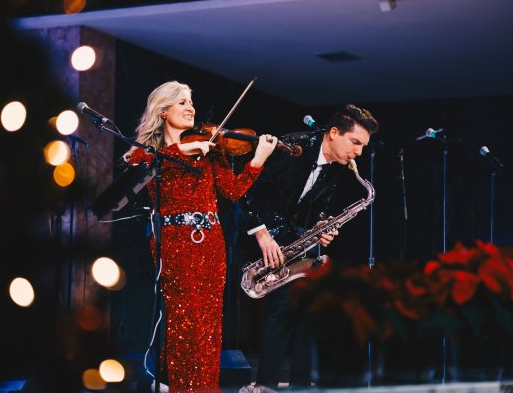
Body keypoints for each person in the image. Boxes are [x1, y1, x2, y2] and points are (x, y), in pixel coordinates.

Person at [124, 81, 277, 391]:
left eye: (191, 101)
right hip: (175, 244)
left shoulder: (211, 150)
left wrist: (258, 159)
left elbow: (233, 191)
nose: (190, 107)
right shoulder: (149, 154)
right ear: (163, 111)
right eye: (182, 102)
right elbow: (138, 168)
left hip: (211, 244)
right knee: (185, 326)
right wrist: (185, 148)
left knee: (209, 329)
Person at [242, 104, 379, 388]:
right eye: (355, 142)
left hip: (295, 241)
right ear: (333, 133)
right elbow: (249, 188)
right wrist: (263, 235)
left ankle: (301, 385)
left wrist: (320, 227)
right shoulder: (293, 147)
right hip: (262, 236)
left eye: (363, 146)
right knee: (282, 310)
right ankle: (265, 385)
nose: (359, 153)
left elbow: (316, 206)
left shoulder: (338, 167)